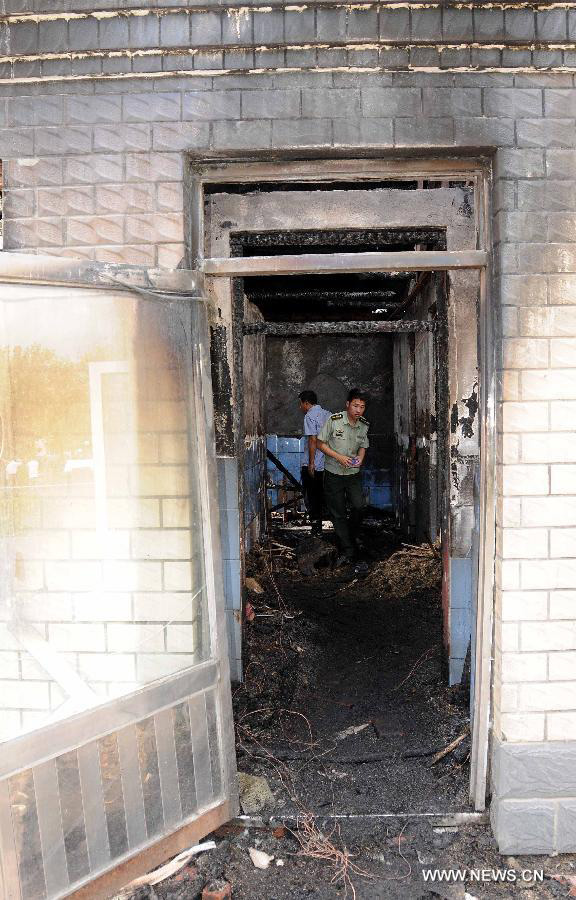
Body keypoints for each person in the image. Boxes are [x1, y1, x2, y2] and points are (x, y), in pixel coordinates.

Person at [317, 388, 369, 567]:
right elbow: (320, 443)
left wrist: (360, 459)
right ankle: (348, 549)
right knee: (337, 512)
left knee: (359, 506)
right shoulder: (334, 421)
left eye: (362, 407)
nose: (358, 410)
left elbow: (363, 445)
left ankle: (350, 537)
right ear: (348, 405)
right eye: (355, 405)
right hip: (333, 473)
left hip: (352, 474)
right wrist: (339, 457)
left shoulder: (363, 424)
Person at [298, 390, 331, 536]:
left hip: (314, 463)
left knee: (311, 495)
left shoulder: (309, 416)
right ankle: (322, 525)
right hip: (327, 462)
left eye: (301, 404)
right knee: (321, 493)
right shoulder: (328, 414)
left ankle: (316, 528)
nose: (300, 407)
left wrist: (311, 463)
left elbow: (312, 439)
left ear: (306, 403)